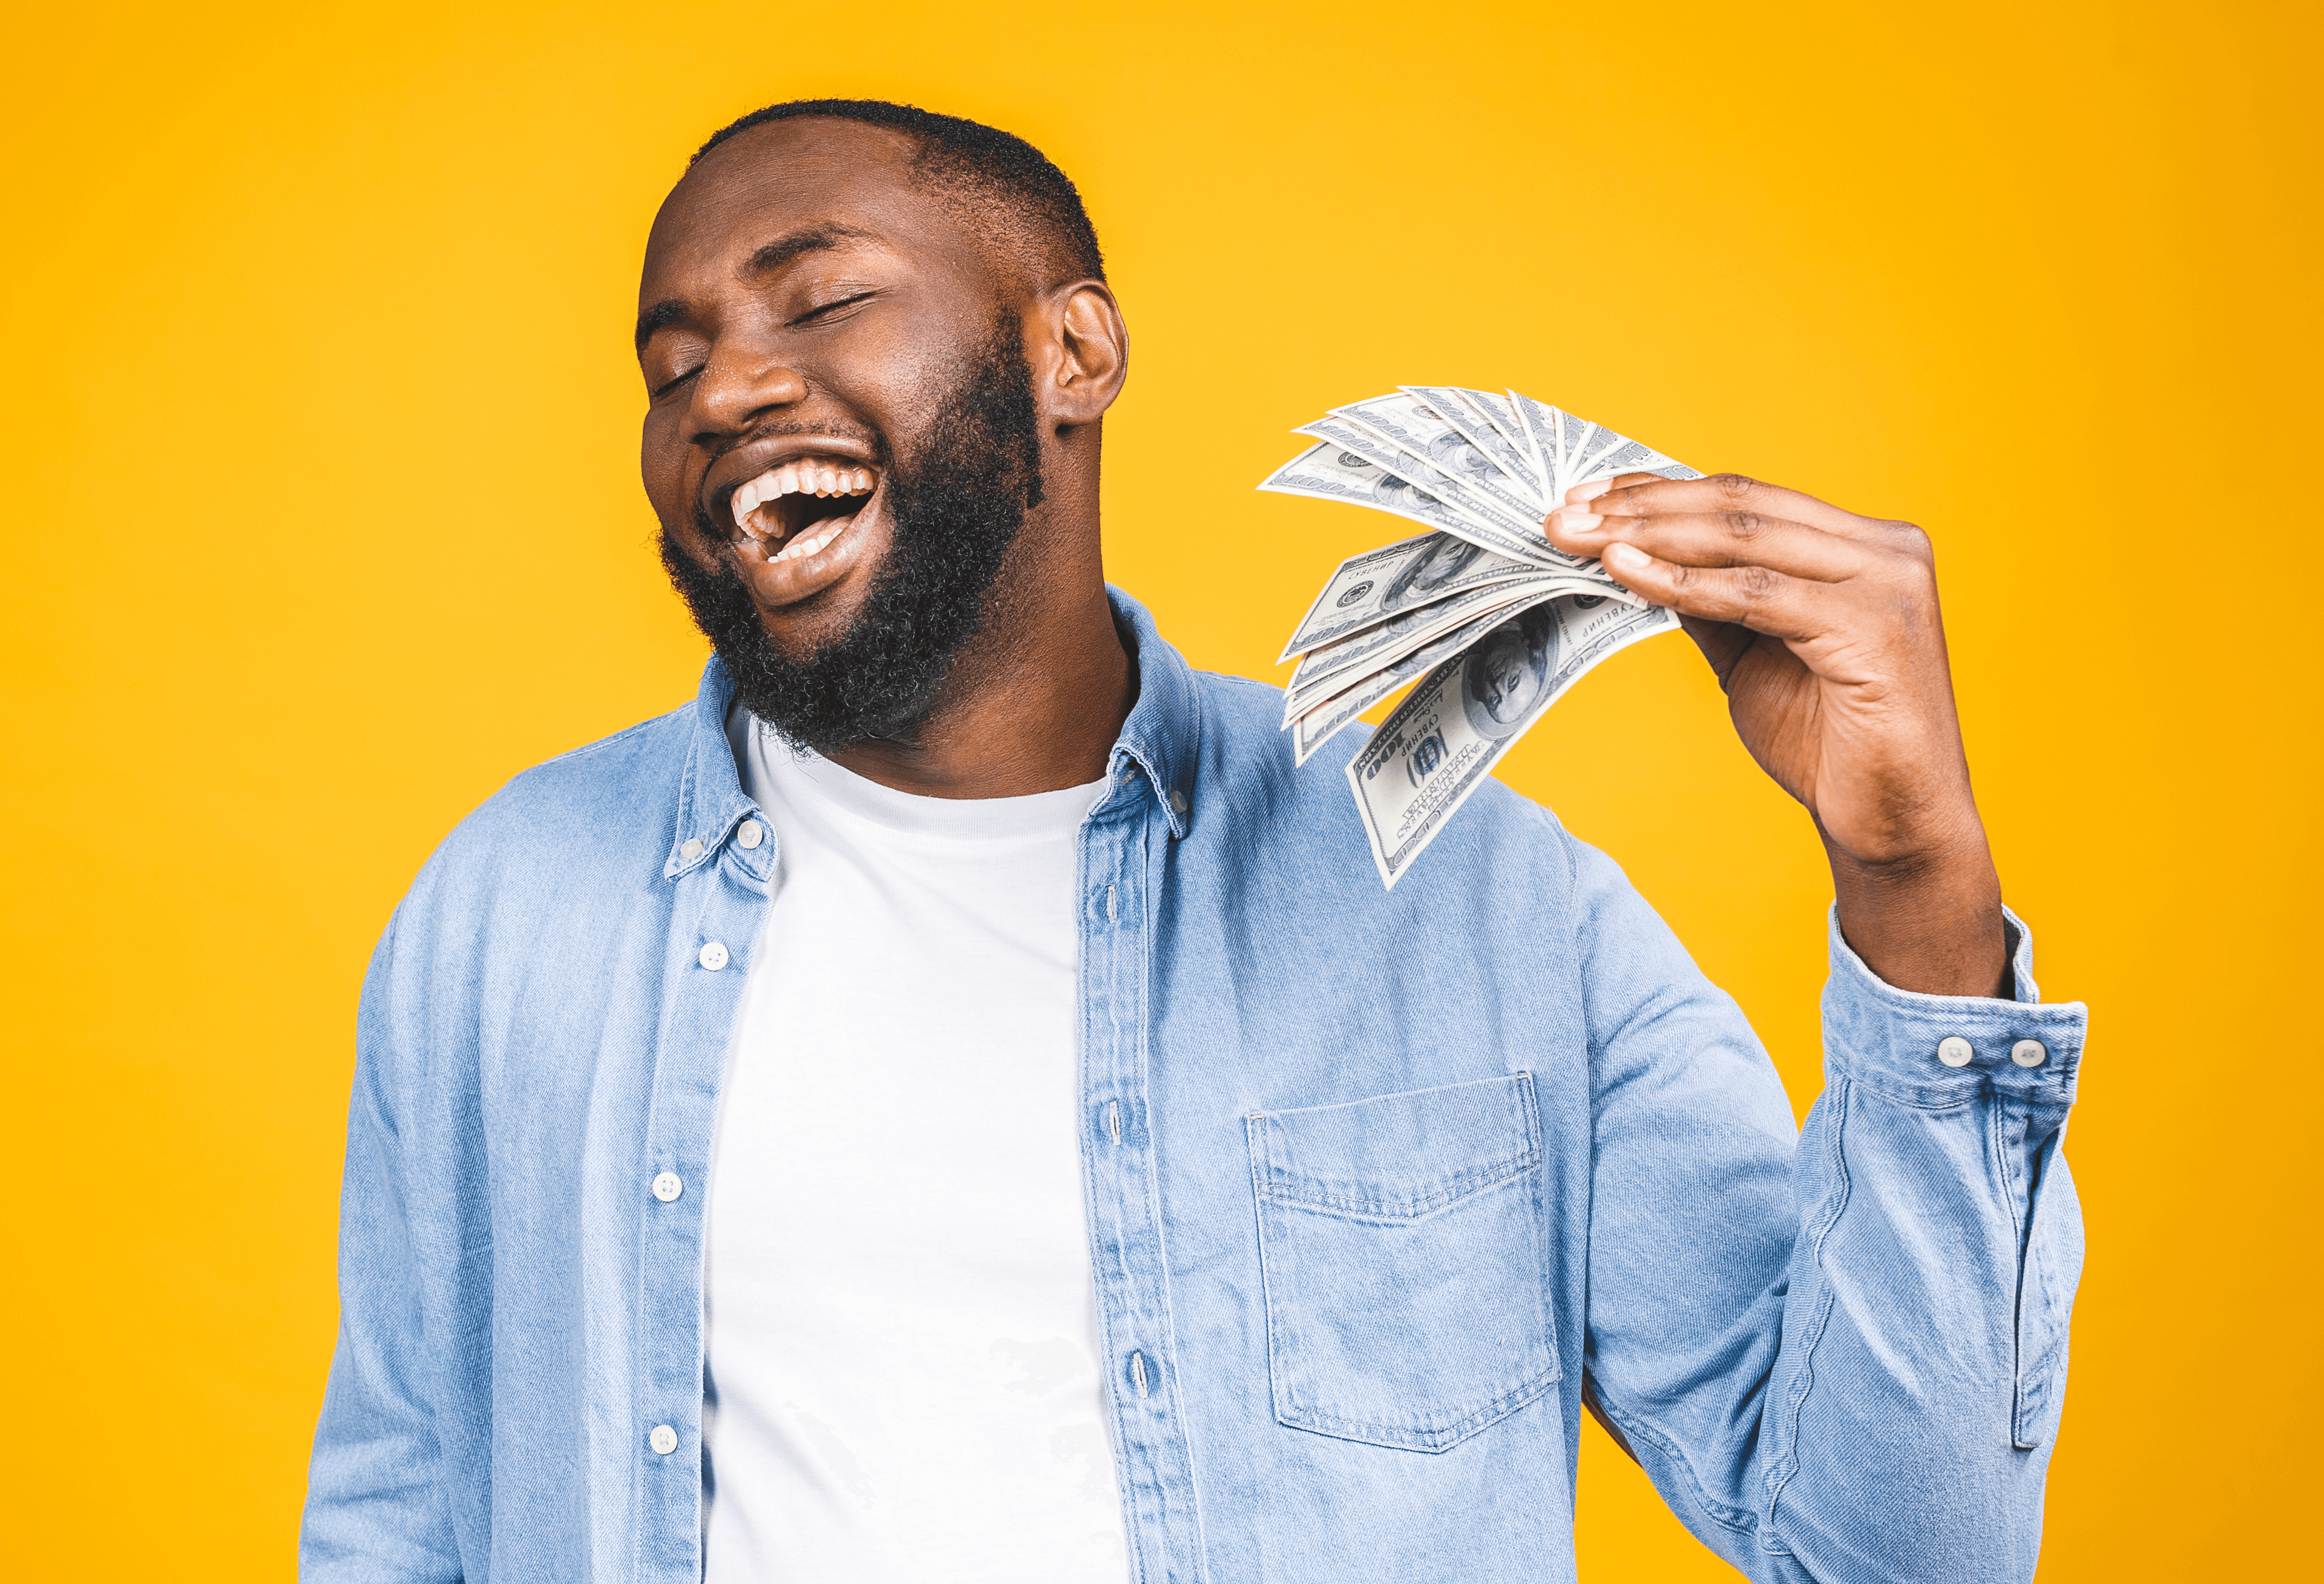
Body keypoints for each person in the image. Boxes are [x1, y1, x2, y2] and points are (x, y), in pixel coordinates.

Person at [300, 98, 2088, 1584]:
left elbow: (1891, 1558)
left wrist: (1917, 889)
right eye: (670, 362)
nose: (718, 393)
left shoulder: (1472, 905)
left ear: (1070, 350)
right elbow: (399, 1520)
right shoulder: (510, 916)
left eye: (816, 300)